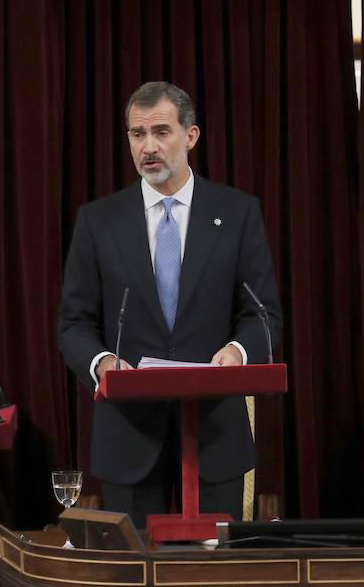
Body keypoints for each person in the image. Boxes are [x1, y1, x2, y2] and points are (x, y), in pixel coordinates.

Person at [58, 81, 282, 527]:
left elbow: (264, 315)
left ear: (191, 136)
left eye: (161, 131)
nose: (149, 147)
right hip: (129, 432)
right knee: (137, 569)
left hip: (214, 430)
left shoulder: (236, 213)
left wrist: (238, 352)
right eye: (137, 135)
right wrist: (103, 363)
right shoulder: (98, 221)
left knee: (215, 572)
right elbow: (74, 323)